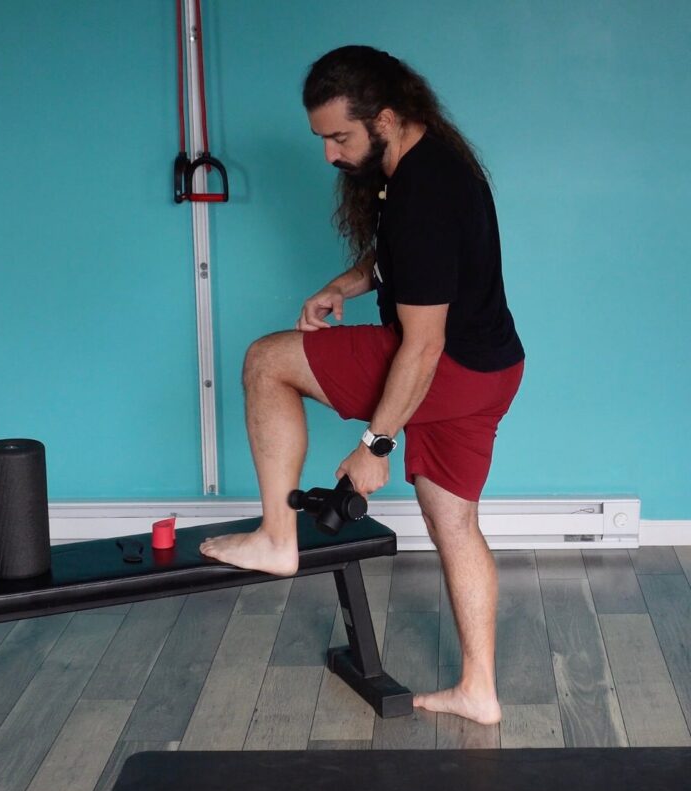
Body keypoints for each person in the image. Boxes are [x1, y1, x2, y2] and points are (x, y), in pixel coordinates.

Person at [200, 45, 525, 726]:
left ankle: (275, 536)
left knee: (267, 361)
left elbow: (424, 344)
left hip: (447, 366)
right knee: (454, 521)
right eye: (322, 139)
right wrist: (342, 284)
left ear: (383, 117)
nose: (329, 155)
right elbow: (410, 258)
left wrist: (374, 444)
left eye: (339, 137)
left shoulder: (423, 193)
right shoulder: (426, 159)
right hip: (494, 370)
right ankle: (479, 691)